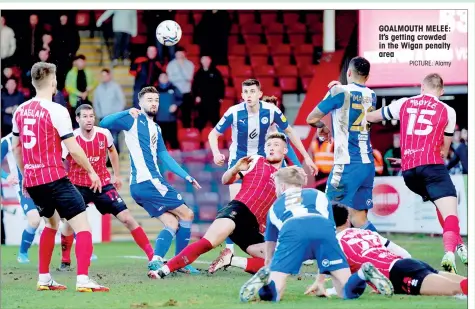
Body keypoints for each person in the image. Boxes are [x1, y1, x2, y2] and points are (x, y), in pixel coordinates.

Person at [11, 61, 108, 292]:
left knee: (51, 223)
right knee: (83, 227)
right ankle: (83, 280)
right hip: (54, 178)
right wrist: (93, 171)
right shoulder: (57, 110)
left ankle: (44, 278)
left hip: (33, 180)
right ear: (53, 82)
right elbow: (73, 149)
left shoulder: (20, 110)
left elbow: (16, 147)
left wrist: (26, 176)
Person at [239, 167, 393, 302]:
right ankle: (361, 274)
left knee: (276, 292)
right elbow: (331, 232)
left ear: (283, 185)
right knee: (345, 291)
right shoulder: (318, 195)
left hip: (293, 229)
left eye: (276, 186)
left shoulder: (275, 206)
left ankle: (265, 284)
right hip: (323, 229)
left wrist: (270, 266)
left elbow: (270, 247)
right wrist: (321, 279)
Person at [148, 132, 288, 279]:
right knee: (207, 244)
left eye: (276, 145)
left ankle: (231, 260)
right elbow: (225, 180)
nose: (271, 148)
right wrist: (235, 169)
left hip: (253, 226)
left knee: (277, 261)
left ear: (284, 150)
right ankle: (163, 270)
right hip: (239, 211)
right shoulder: (257, 161)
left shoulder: (285, 177)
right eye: (269, 145)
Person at [365, 73, 467, 273]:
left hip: (409, 172)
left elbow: (371, 117)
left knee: (440, 203)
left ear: (422, 87)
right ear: (442, 92)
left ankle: (460, 246)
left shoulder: (403, 103)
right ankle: (449, 253)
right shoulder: (448, 110)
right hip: (432, 167)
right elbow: (443, 152)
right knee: (450, 210)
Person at [99, 86, 201, 274]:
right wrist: (125, 111)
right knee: (187, 214)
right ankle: (181, 263)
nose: (153, 103)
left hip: (142, 186)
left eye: (156, 100)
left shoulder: (156, 128)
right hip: (148, 181)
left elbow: (165, 157)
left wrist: (186, 175)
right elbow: (104, 122)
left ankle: (156, 260)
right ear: (140, 103)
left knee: (172, 223)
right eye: (149, 100)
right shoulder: (132, 119)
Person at [57, 104, 154, 270]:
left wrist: (116, 174)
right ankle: (65, 260)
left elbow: (113, 152)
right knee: (68, 223)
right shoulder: (70, 139)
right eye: (85, 116)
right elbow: (61, 162)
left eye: (91, 116)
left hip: (102, 184)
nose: (89, 119)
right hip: (78, 186)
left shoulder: (104, 134)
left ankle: (153, 257)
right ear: (77, 119)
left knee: (127, 218)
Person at [332, 204, 468, 297]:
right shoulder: (367, 233)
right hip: (407, 264)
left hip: (397, 273)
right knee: (465, 283)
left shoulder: (334, 244)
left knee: (458, 289)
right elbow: (403, 253)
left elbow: (343, 283)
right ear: (347, 220)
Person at [306, 56, 378, 232]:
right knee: (359, 218)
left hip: (347, 163)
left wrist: (322, 126)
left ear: (349, 72)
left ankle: (332, 257)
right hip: (367, 164)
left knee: (330, 212)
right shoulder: (372, 95)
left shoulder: (339, 91)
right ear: (367, 77)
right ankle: (383, 253)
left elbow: (312, 118)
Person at [1, 133, 41, 263]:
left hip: (44, 183)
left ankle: (80, 253)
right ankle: (22, 253)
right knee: (34, 219)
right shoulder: (7, 141)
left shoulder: (37, 134)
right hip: (24, 188)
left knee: (63, 215)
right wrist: (6, 176)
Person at [93, 68, 126, 152]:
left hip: (113, 117)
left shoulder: (115, 87)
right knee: (104, 138)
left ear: (109, 75)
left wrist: (116, 113)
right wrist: (99, 113)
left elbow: (121, 101)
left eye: (105, 75)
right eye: (102, 75)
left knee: (114, 137)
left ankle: (115, 156)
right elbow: (96, 102)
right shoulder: (98, 88)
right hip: (103, 117)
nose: (104, 77)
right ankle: (107, 157)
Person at [192, 55, 225, 131]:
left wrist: (221, 97)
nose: (205, 62)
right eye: (204, 60)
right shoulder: (198, 73)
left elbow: (221, 85)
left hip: (214, 100)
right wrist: (196, 96)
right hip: (202, 100)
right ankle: (200, 137)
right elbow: (195, 86)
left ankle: (217, 137)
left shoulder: (216, 72)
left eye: (207, 60)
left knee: (215, 119)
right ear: (201, 61)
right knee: (201, 120)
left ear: (210, 61)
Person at [166, 47, 194, 128]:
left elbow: (189, 77)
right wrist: (182, 78)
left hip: (186, 93)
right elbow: (170, 79)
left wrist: (182, 67)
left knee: (186, 115)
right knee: (172, 114)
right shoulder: (171, 64)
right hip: (175, 93)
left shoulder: (189, 64)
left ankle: (187, 131)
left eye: (181, 53)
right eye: (178, 54)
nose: (179, 55)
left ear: (185, 54)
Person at [156, 72, 182, 149]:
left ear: (167, 78)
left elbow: (180, 99)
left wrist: (176, 105)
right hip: (160, 118)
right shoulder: (155, 90)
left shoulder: (174, 88)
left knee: (173, 139)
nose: (163, 79)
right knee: (161, 140)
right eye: (161, 77)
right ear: (159, 79)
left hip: (171, 119)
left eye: (165, 77)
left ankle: (176, 157)